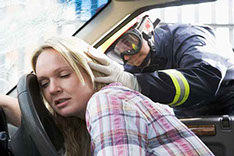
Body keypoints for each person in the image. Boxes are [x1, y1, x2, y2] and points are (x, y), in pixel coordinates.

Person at [0, 36, 214, 155]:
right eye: (44, 83)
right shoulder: (81, 123)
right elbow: (40, 129)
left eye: (64, 75)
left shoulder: (107, 102)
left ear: (92, 70)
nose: (53, 88)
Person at [87, 18, 234, 117]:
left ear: (147, 27)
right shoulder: (134, 67)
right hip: (190, 114)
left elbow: (205, 78)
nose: (126, 56)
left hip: (228, 101)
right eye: (116, 52)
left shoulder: (188, 37)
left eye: (129, 44)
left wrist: (137, 83)